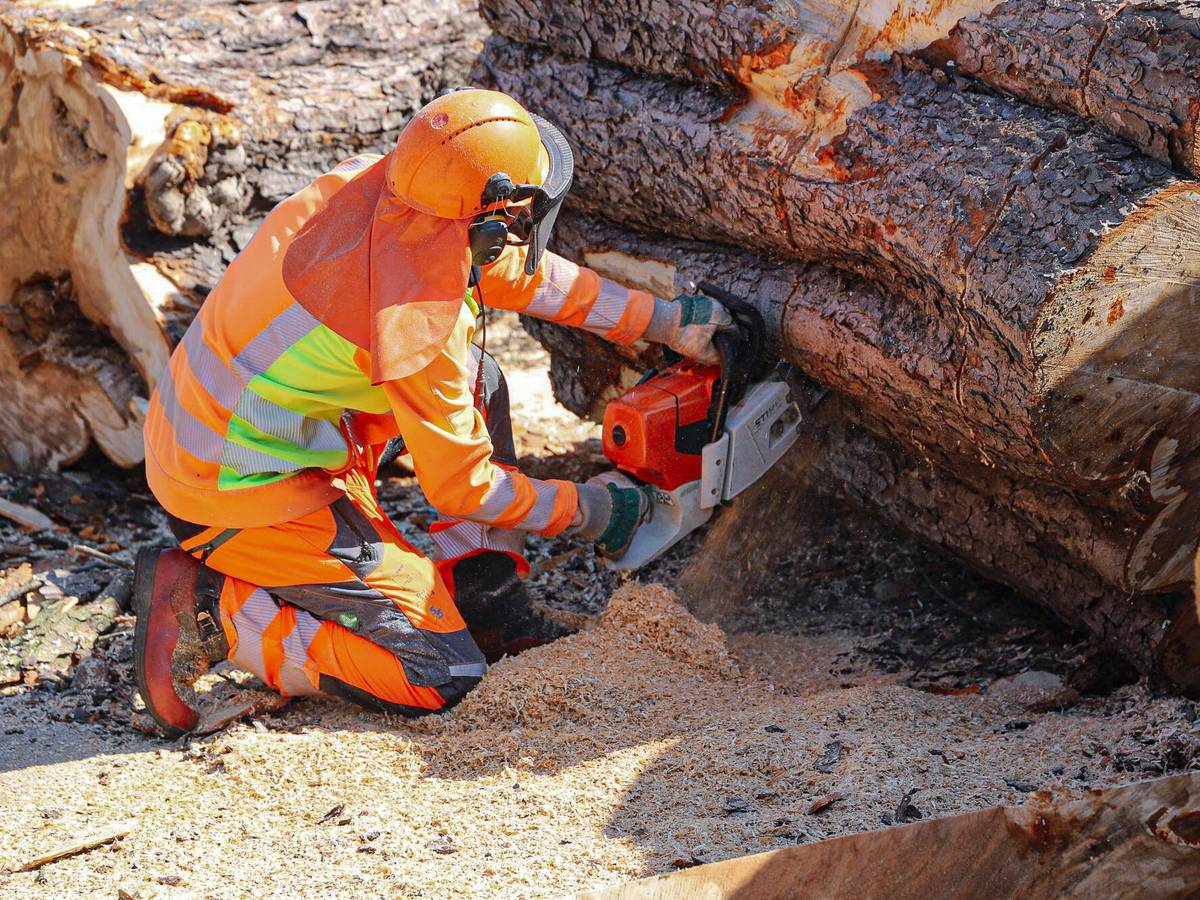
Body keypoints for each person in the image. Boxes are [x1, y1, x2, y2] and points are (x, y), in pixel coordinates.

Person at [132, 88, 731, 735]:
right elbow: (465, 485)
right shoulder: (417, 325)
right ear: (492, 218)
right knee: (438, 674)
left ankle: (485, 596)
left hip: (255, 423)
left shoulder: (400, 195)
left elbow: (512, 272)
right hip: (236, 488)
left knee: (483, 380)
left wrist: (662, 321)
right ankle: (216, 612)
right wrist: (590, 510)